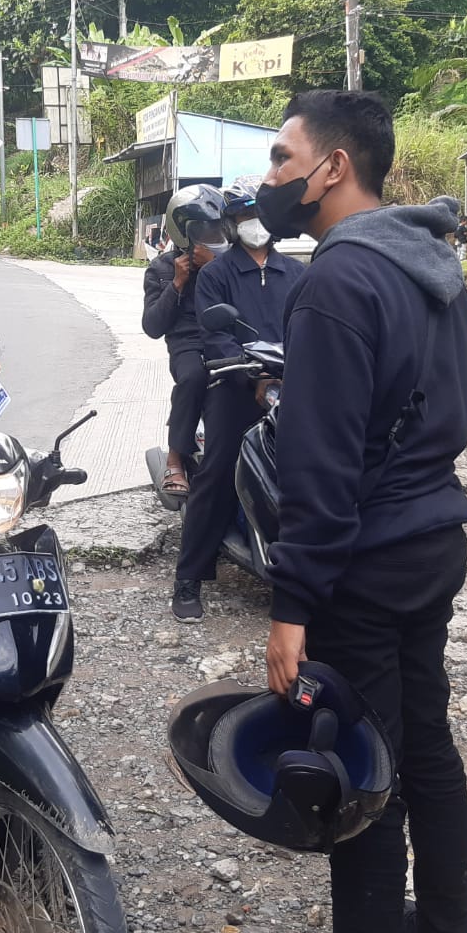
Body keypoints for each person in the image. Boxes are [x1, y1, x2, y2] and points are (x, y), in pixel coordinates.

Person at [253, 89, 467, 933]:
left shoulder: (337, 280)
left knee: (365, 771)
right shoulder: (430, 262)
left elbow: (320, 469)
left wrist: (290, 604)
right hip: (432, 540)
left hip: (366, 561)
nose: (268, 178)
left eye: (280, 158)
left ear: (332, 168)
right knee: (426, 742)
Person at [170, 177, 305, 623]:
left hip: (293, 386)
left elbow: (311, 330)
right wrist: (253, 378)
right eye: (244, 216)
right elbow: (216, 336)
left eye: (258, 214)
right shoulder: (216, 276)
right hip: (235, 385)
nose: (253, 224)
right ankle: (189, 576)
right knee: (219, 469)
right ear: (230, 224)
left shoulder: (298, 274)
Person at [141, 185, 228, 500]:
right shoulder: (162, 268)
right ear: (183, 230)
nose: (211, 233)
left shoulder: (227, 261)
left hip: (225, 335)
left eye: (216, 227)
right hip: (187, 342)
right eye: (203, 227)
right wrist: (177, 283)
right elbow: (152, 326)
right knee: (193, 376)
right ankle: (175, 458)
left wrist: (215, 268)